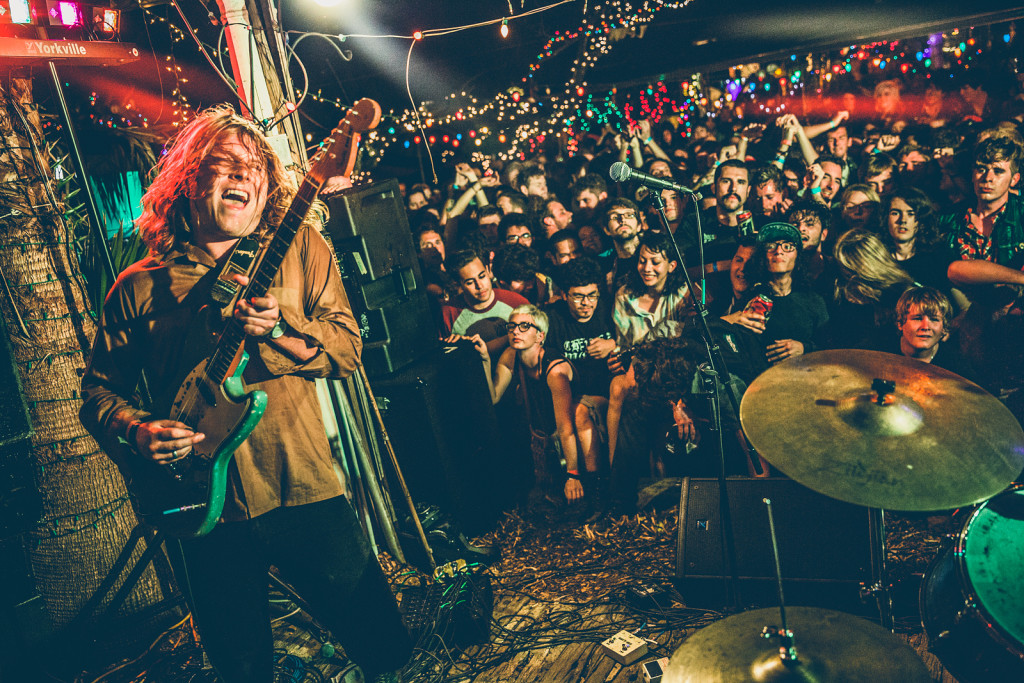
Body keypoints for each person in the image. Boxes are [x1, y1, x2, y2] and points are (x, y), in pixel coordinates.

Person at [78, 105, 411, 683]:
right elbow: (100, 393)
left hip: (300, 483)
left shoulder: (300, 249)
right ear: (187, 180)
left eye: (256, 169)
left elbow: (347, 350)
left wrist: (280, 331)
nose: (244, 177)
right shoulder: (136, 287)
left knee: (383, 645)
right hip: (200, 507)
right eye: (225, 164)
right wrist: (138, 429)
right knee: (242, 666)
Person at [479, 305, 591, 506]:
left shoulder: (554, 370)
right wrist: (486, 360)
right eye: (511, 326)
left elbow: (566, 428)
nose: (515, 331)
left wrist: (573, 475)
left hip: (578, 428)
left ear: (540, 336)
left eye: (524, 326)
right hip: (546, 431)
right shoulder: (511, 356)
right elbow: (493, 396)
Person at [724, 222, 829, 365]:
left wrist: (805, 348)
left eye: (787, 246)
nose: (778, 251)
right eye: (771, 246)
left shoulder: (814, 301)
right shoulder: (751, 302)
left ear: (798, 257)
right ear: (762, 258)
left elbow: (831, 348)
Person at [440, 249, 529, 356]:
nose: (480, 286)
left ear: (488, 270)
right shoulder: (449, 312)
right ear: (457, 284)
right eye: (470, 282)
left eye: (482, 276)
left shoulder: (516, 302)